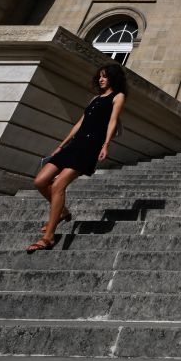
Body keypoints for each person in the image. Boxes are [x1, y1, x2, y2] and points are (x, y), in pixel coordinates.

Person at [27, 64, 127, 252]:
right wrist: (61, 145)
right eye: (99, 76)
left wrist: (106, 145)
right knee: (40, 181)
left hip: (90, 147)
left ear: (113, 78)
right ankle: (63, 212)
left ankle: (48, 237)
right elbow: (80, 123)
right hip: (74, 145)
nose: (101, 79)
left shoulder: (118, 97)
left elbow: (113, 121)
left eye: (105, 76)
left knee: (58, 185)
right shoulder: (95, 98)